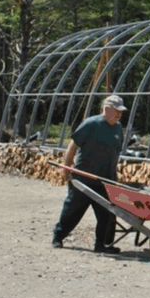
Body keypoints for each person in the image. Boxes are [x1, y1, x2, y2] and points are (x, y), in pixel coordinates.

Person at [51, 94, 128, 253]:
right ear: (106, 109)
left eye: (121, 111)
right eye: (117, 110)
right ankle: (58, 236)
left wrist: (115, 175)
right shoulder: (91, 124)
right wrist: (66, 166)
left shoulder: (118, 128)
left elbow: (115, 153)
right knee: (73, 209)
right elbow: (73, 144)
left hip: (106, 179)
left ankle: (103, 245)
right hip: (84, 177)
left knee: (107, 214)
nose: (119, 114)